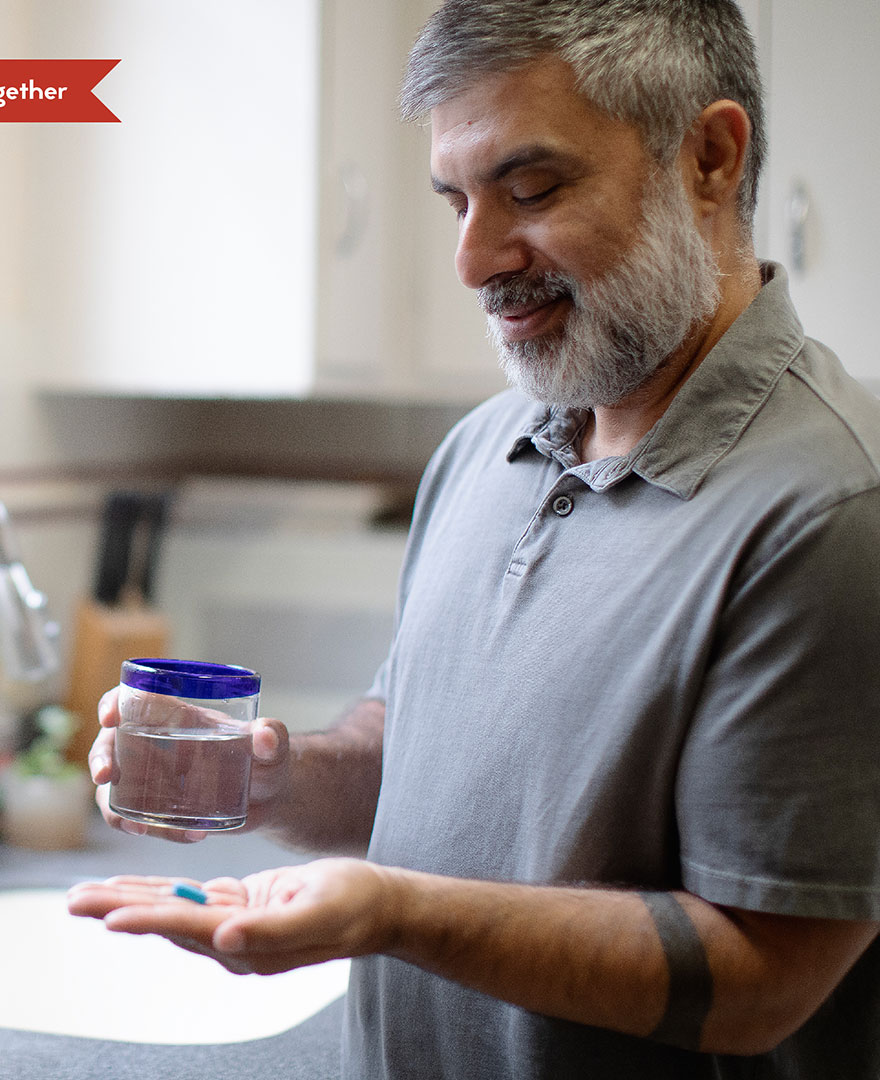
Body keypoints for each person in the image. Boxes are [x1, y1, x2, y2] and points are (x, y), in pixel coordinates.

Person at [67, 2, 880, 1076]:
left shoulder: (826, 510)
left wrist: (395, 914)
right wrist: (272, 780)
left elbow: (762, 974)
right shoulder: (485, 447)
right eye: (455, 200)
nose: (473, 258)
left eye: (531, 190)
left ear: (711, 159)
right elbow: (410, 748)